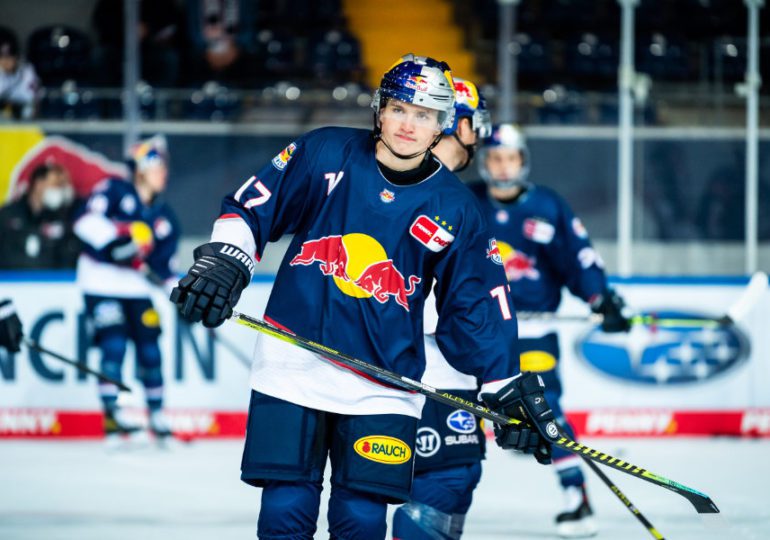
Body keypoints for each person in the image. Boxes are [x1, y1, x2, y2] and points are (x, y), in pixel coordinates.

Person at [171, 54, 555, 539]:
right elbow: (252, 206)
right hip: (293, 367)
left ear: (441, 125)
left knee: (362, 519)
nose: (408, 125)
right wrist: (226, 259)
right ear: (379, 110)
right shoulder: (324, 152)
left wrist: (503, 384)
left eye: (423, 115)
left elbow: (476, 303)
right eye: (398, 109)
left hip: (384, 382)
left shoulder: (455, 206)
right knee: (285, 511)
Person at [473, 124, 631, 538]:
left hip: (534, 333)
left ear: (523, 161)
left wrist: (601, 298)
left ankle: (575, 497)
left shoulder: (546, 206)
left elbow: (577, 258)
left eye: (511, 158)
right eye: (495, 158)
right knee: (454, 412)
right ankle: (433, 495)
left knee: (547, 411)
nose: (503, 167)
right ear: (484, 163)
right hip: (476, 332)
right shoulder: (466, 202)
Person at [391, 77, 493, 540]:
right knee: (440, 482)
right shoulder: (421, 189)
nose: (480, 135)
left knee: (451, 481)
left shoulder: (457, 197)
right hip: (416, 366)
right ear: (456, 122)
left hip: (441, 366)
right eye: (474, 123)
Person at [73, 135, 180, 445]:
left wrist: (182, 298)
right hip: (101, 281)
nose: (164, 173)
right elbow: (85, 221)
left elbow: (165, 269)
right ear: (141, 168)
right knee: (114, 344)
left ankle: (157, 416)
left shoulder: (164, 218)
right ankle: (112, 415)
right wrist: (114, 241)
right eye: (158, 165)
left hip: (137, 288)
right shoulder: (114, 191)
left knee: (150, 350)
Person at [0, 163, 81, 270]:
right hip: (8, 283)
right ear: (38, 184)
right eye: (56, 184)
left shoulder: (62, 219)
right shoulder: (8, 214)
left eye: (63, 186)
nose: (60, 190)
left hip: (49, 283)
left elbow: (68, 256)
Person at [0, 26, 39, 120]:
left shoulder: (27, 72)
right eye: (2, 57)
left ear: (16, 57)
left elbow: (31, 101)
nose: (6, 62)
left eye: (9, 57)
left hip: (22, 122)